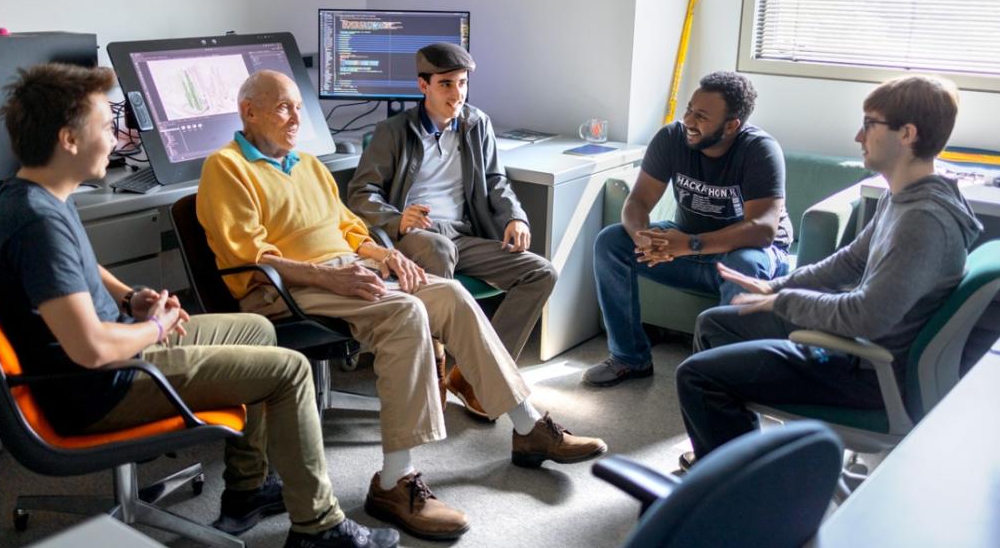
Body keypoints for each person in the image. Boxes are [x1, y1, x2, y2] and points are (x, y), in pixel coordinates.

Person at [0, 63, 397, 548]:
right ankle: (318, 529)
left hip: (115, 355)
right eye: (105, 128)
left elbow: (84, 268)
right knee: (290, 371)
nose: (116, 140)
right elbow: (92, 350)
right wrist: (155, 328)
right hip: (103, 385)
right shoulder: (38, 224)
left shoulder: (37, 194)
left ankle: (249, 487)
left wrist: (128, 297)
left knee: (258, 329)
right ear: (68, 140)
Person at [196, 69, 606, 541]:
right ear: (249, 112)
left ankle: (527, 424)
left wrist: (385, 254)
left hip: (346, 269)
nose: (296, 118)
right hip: (285, 289)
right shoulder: (226, 168)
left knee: (449, 293)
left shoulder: (308, 164)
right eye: (284, 107)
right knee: (405, 313)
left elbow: (350, 229)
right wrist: (334, 274)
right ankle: (394, 481)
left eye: (297, 108)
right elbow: (250, 255)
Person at [676, 74, 981, 466]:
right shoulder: (903, 196)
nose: (858, 135)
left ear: (907, 134)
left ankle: (739, 487)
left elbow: (865, 315)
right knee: (716, 323)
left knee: (696, 377)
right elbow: (851, 260)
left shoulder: (923, 220)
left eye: (870, 124)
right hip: (852, 349)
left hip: (864, 371)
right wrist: (774, 287)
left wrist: (784, 301)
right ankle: (737, 457)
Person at [347, 43, 557, 418]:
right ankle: (434, 364)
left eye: (462, 83)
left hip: (463, 233)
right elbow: (361, 192)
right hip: (417, 234)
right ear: (423, 86)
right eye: (446, 84)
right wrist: (397, 219)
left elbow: (496, 181)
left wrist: (516, 216)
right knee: (440, 251)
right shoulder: (393, 131)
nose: (457, 94)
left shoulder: (478, 124)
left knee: (540, 272)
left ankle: (473, 377)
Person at [584, 71, 793, 386]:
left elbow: (762, 229)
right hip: (689, 247)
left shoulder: (760, 150)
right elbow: (637, 201)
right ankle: (630, 358)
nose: (689, 121)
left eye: (702, 116)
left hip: (754, 255)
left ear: (732, 125)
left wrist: (689, 244)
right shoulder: (671, 138)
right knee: (612, 242)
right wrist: (643, 236)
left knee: (745, 261)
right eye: (689, 109)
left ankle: (721, 377)